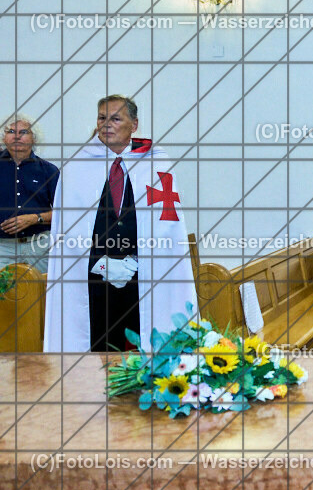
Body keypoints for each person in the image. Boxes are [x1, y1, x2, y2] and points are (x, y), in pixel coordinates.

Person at [43, 94, 198, 352]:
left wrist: (136, 260)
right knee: (96, 352)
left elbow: (167, 224)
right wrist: (100, 264)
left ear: (134, 125)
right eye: (102, 118)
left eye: (116, 118)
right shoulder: (77, 167)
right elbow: (66, 233)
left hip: (144, 278)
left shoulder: (155, 162)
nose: (107, 124)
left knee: (144, 351)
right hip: (93, 282)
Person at [0, 113, 58, 273]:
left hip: (39, 247)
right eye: (11, 132)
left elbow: (64, 212)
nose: (16, 136)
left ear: (34, 138)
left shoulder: (49, 170)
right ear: (4, 138)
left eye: (23, 132)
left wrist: (35, 218)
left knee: (43, 296)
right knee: (5, 297)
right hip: (3, 249)